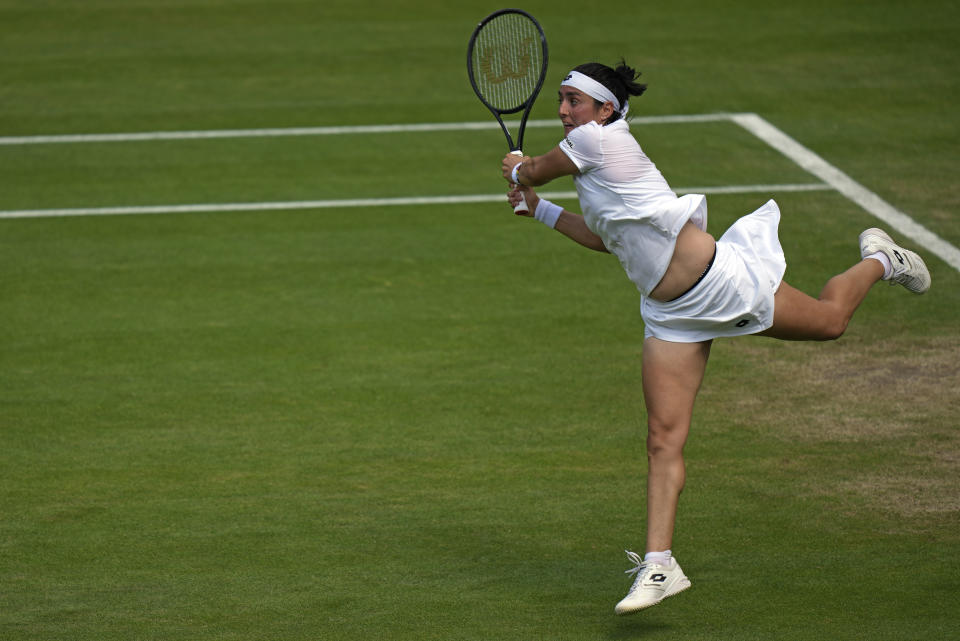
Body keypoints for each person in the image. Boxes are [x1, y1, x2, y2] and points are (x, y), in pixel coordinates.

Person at [499, 60, 931, 615]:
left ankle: (880, 259)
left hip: (720, 285)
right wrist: (539, 211)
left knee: (830, 322)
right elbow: (608, 239)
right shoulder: (592, 159)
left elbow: (532, 168)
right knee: (662, 439)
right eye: (560, 100)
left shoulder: (600, 143)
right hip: (669, 315)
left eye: (572, 101)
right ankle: (659, 565)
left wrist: (520, 173)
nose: (562, 110)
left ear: (604, 110)